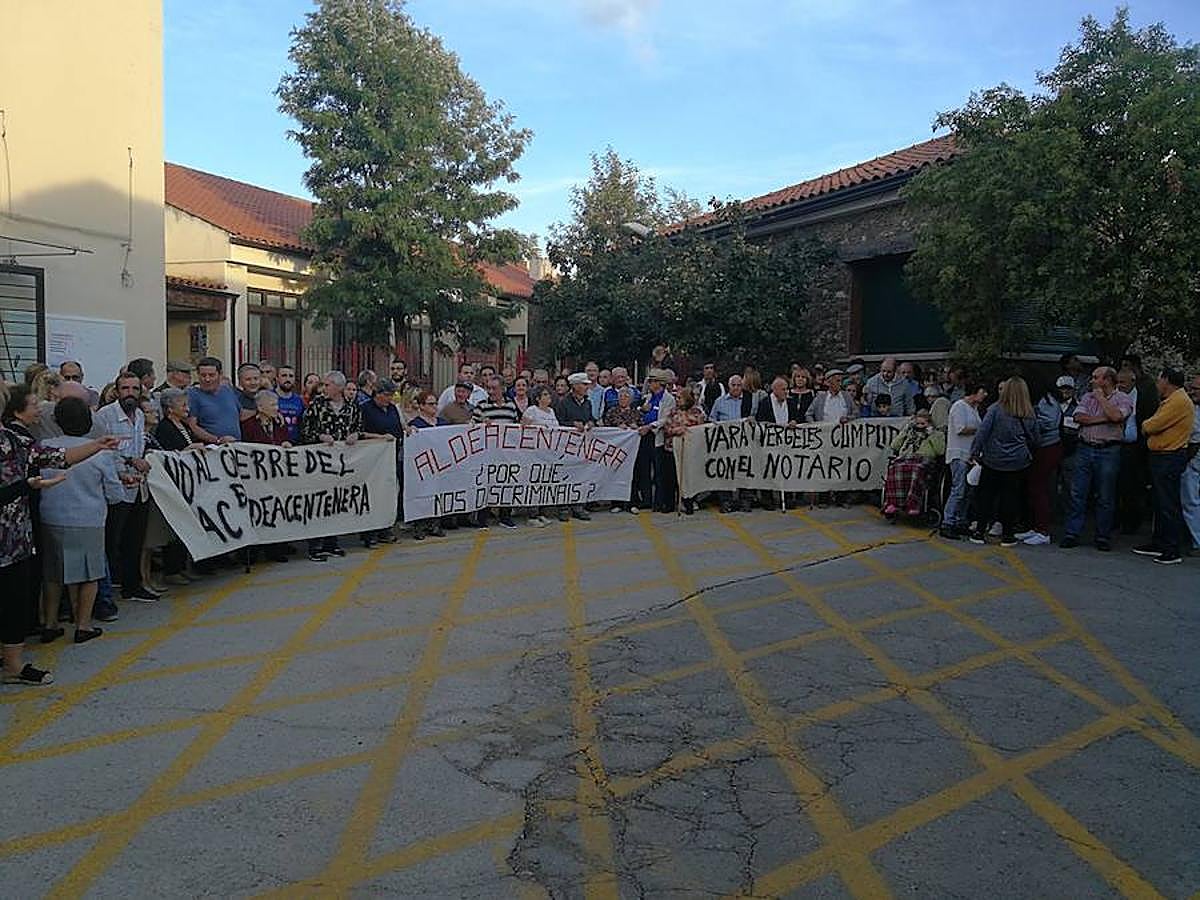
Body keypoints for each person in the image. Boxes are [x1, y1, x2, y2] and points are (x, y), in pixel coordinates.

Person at [1, 385, 119, 685]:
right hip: (18, 531)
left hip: (14, 539)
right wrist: (27, 486)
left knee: (14, 599)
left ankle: (13, 664)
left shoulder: (13, 439)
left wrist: (97, 446)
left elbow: (54, 456)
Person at [37, 397, 127, 645]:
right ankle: (83, 625)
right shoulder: (98, 452)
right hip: (88, 517)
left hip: (52, 515)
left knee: (53, 573)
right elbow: (113, 492)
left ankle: (50, 622)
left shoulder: (46, 446)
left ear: (57, 420)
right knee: (90, 573)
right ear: (89, 422)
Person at [94, 370, 157, 602]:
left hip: (138, 487)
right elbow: (102, 450)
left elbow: (140, 447)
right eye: (125, 389)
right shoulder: (105, 416)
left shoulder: (139, 415)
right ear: (117, 391)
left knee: (135, 539)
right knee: (112, 541)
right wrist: (130, 462)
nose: (130, 393)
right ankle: (104, 594)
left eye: (134, 389)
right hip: (116, 488)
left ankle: (133, 585)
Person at [1060, 366, 1134, 551]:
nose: (1092, 380)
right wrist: (1105, 418)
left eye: (1095, 377)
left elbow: (1117, 415)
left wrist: (1101, 399)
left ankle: (1102, 536)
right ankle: (1072, 533)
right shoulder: (1087, 396)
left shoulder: (1123, 399)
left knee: (1105, 495)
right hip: (1085, 447)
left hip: (1108, 450)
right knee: (1078, 493)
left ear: (1107, 380)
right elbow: (1078, 417)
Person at [1133, 368, 1195, 565]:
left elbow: (1151, 425)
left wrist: (1145, 425)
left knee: (1168, 503)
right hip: (1162, 456)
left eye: (1159, 380)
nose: (1157, 384)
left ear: (1167, 381)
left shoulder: (1178, 401)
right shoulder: (1172, 400)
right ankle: (1159, 542)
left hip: (1169, 456)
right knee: (1160, 502)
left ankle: (1171, 548)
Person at [300, 371, 364, 561]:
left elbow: (358, 427)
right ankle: (315, 544)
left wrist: (355, 435)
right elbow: (304, 430)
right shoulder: (316, 405)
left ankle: (332, 542)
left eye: (328, 385)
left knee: (336, 502)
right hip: (320, 463)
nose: (324, 388)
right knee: (318, 502)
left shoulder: (352, 407)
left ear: (339, 388)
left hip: (341, 464)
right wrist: (319, 437)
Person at [968, 376, 1037, 547]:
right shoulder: (1028, 412)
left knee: (986, 496)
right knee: (1010, 498)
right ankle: (1007, 535)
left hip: (993, 459)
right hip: (1017, 461)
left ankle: (979, 532)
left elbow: (982, 433)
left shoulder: (995, 409)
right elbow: (1035, 437)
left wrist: (975, 452)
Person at [154, 389, 205, 584]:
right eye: (183, 405)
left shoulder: (183, 425)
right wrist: (187, 450)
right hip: (175, 483)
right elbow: (167, 455)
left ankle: (182, 566)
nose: (187, 408)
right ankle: (172, 569)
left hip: (188, 482)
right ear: (170, 409)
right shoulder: (165, 428)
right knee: (175, 527)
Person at [1018, 378, 1065, 546]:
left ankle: (1043, 530)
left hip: (1048, 446)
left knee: (1040, 488)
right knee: (1034, 487)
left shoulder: (1047, 402)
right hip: (1041, 447)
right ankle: (1036, 526)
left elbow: (1048, 423)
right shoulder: (1042, 401)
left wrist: (1028, 422)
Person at [940, 382, 987, 539]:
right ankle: (948, 522)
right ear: (974, 392)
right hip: (958, 454)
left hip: (970, 456)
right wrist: (982, 429)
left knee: (967, 491)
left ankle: (960, 521)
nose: (985, 395)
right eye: (983, 391)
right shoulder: (959, 406)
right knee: (958, 490)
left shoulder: (974, 409)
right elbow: (961, 429)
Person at [360, 378, 403, 545]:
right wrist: (380, 438)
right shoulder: (365, 409)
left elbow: (398, 427)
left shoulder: (392, 408)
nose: (390, 398)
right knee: (372, 495)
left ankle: (385, 528)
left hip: (391, 458)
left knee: (388, 494)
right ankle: (369, 532)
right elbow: (360, 432)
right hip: (372, 459)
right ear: (377, 394)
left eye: (391, 395)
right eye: (387, 395)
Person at [882, 409, 945, 518]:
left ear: (929, 423)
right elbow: (894, 446)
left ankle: (913, 504)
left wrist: (931, 435)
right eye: (917, 423)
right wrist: (905, 431)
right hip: (906, 457)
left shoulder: (937, 434)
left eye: (923, 424)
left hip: (924, 460)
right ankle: (893, 503)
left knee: (916, 469)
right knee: (894, 468)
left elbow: (940, 451)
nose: (920, 426)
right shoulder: (910, 433)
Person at [710, 375, 755, 513]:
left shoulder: (749, 400)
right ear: (729, 386)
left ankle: (745, 500)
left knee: (744, 470)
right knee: (725, 471)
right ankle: (726, 501)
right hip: (725, 444)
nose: (736, 388)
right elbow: (712, 418)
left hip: (743, 442)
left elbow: (754, 417)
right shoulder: (720, 401)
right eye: (733, 385)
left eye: (739, 385)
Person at [555, 373, 596, 521]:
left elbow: (591, 417)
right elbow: (558, 423)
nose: (586, 387)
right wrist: (572, 424)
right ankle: (564, 507)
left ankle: (578, 505)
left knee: (580, 475)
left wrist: (591, 422)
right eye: (584, 385)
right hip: (566, 445)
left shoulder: (587, 402)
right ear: (575, 386)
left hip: (581, 446)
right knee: (566, 475)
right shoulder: (564, 403)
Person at [407, 391, 447, 539]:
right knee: (421, 494)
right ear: (422, 406)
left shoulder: (443, 423)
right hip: (423, 466)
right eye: (431, 404)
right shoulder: (415, 424)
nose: (434, 407)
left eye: (436, 403)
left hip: (440, 464)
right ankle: (419, 526)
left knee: (437, 494)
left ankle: (435, 524)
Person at [1115, 368, 1149, 535]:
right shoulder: (1114, 396)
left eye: (1123, 383)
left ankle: (1132, 521)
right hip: (1116, 445)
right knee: (1115, 484)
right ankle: (1116, 520)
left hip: (1136, 447)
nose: (1119, 386)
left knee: (1132, 486)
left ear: (1133, 382)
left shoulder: (1144, 397)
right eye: (1117, 382)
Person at [522, 386, 562, 526]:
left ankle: (542, 513)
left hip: (548, 454)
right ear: (538, 398)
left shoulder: (551, 411)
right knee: (533, 484)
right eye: (545, 394)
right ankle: (532, 515)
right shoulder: (532, 410)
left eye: (548, 394)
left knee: (545, 484)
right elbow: (523, 428)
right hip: (534, 453)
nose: (548, 397)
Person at [665, 386, 706, 514]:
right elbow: (667, 428)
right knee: (672, 477)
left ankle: (689, 501)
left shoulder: (697, 413)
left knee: (689, 477)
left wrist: (688, 430)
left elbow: (701, 430)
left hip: (691, 451)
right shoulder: (673, 412)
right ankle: (672, 503)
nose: (677, 400)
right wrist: (676, 431)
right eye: (676, 398)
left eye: (679, 398)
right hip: (673, 449)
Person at [602, 385, 642, 514]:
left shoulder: (636, 413)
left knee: (633, 475)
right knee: (615, 475)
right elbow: (606, 427)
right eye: (621, 396)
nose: (623, 399)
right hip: (616, 451)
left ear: (631, 399)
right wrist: (618, 427)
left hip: (632, 452)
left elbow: (642, 427)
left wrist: (635, 427)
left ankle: (632, 503)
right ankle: (616, 503)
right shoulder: (612, 411)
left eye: (626, 396)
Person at [187, 357, 242, 443]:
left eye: (211, 375)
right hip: (212, 448)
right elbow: (192, 425)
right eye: (203, 375)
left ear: (220, 375)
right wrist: (217, 440)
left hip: (236, 446)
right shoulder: (193, 395)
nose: (207, 379)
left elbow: (240, 415)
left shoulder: (228, 390)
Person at [1181, 374, 1200, 555]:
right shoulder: (1192, 407)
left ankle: (1198, 541)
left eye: (1195, 389)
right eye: (1191, 388)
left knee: (1191, 501)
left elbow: (1194, 440)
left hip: (1193, 459)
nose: (1191, 391)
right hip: (1193, 459)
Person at [273, 365, 305, 444]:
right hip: (275, 445)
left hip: (295, 445)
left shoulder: (299, 400)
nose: (288, 379)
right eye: (284, 376)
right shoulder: (270, 397)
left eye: (291, 376)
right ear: (277, 378)